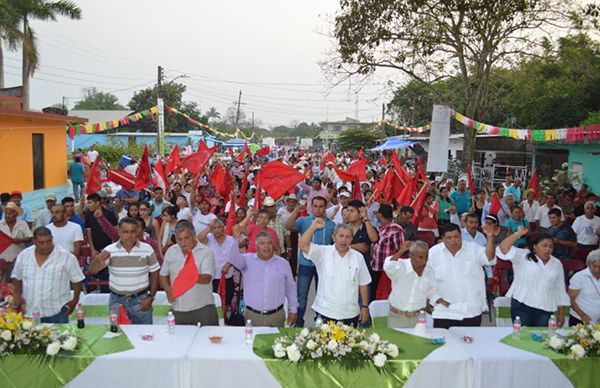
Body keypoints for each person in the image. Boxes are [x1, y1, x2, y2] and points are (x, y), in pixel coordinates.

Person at [299, 219, 371, 326]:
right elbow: (303, 245)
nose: (344, 240)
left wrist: (365, 307)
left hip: (350, 313)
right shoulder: (322, 253)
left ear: (351, 239)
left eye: (347, 237)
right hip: (325, 311)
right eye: (340, 236)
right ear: (333, 237)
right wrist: (313, 227)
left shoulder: (358, 257)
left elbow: (364, 283)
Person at [90, 217, 160, 324]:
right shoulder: (109, 250)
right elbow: (93, 271)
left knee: (144, 337)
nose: (129, 235)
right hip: (117, 301)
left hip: (141, 300)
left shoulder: (147, 249)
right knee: (118, 336)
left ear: (138, 232)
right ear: (119, 231)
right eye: (125, 232)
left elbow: (155, 273)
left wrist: (151, 297)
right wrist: (98, 259)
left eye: (133, 231)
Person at [497, 227, 570, 327]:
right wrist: (518, 234)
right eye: (544, 246)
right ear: (535, 246)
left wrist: (561, 313)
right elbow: (503, 248)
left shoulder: (556, 263)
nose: (547, 249)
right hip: (522, 305)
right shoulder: (523, 256)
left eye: (551, 246)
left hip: (545, 308)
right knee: (522, 338)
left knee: (541, 339)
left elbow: (560, 289)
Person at [428, 223, 496, 328]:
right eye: (449, 237)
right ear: (442, 239)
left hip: (471, 309)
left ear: (461, 236)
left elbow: (489, 259)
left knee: (471, 342)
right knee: (443, 343)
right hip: (444, 311)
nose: (453, 240)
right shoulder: (433, 253)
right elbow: (426, 279)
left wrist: (490, 238)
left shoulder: (473, 248)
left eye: (456, 237)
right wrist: (435, 298)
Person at [11, 227, 84, 323]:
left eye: (49, 241)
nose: (45, 245)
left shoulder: (66, 256)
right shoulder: (24, 255)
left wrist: (74, 301)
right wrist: (18, 295)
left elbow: (77, 280)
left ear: (52, 239)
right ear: (34, 241)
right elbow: (16, 277)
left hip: (57, 311)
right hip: (30, 311)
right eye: (41, 242)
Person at [227, 231, 298, 327]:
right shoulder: (247, 260)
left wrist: (293, 310)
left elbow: (291, 288)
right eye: (262, 243)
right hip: (252, 316)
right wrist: (235, 239)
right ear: (256, 247)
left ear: (274, 246)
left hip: (276, 316)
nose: (266, 246)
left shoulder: (283, 263)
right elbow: (232, 258)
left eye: (269, 243)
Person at [285, 196, 336, 327]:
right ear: (311, 207)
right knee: (301, 296)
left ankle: (320, 322)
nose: (318, 209)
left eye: (321, 206)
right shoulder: (304, 221)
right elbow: (288, 226)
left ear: (325, 208)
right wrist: (295, 212)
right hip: (305, 264)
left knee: (323, 295)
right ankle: (298, 323)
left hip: (324, 266)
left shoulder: (331, 224)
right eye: (315, 206)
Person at [159, 220, 218, 326]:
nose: (183, 242)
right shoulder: (171, 251)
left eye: (187, 238)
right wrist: (168, 291)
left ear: (194, 235)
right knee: (179, 341)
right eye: (179, 239)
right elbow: (163, 275)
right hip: (178, 308)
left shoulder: (205, 252)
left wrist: (189, 277)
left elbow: (207, 278)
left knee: (206, 342)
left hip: (202, 309)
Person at [384, 240, 449, 328]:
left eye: (426, 257)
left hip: (419, 319)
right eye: (420, 257)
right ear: (411, 255)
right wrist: (402, 250)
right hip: (397, 317)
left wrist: (441, 301)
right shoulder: (400, 266)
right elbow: (388, 266)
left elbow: (431, 292)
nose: (424, 261)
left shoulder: (429, 271)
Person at [198, 219, 236, 306]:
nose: (217, 230)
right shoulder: (209, 238)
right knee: (212, 302)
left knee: (226, 303)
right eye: (214, 228)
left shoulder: (231, 240)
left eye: (219, 227)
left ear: (224, 228)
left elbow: (235, 256)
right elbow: (199, 238)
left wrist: (228, 265)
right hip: (212, 276)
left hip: (226, 276)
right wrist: (209, 228)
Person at [371, 204, 404, 301]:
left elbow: (400, 250)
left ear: (380, 214)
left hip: (387, 270)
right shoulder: (381, 227)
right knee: (374, 293)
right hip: (377, 266)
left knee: (385, 296)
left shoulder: (395, 229)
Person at [0, 202, 33, 282]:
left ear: (15, 214)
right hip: (2, 260)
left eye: (10, 213)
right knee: (3, 285)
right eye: (6, 213)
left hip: (18, 259)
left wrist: (20, 240)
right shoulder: (0, 224)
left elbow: (30, 237)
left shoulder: (22, 224)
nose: (7, 215)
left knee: (17, 283)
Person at [567, 250, 600, 325]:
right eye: (594, 266)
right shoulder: (579, 277)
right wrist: (582, 315)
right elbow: (570, 299)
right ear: (589, 264)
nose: (597, 270)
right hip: (579, 319)